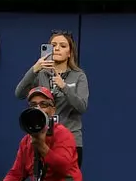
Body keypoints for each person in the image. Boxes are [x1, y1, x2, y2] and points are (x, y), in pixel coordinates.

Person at [15, 31, 89, 164]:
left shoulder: (79, 76)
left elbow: (82, 107)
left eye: (63, 45)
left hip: (70, 140)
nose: (57, 48)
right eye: (53, 45)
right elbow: (19, 93)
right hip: (43, 139)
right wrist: (34, 69)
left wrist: (64, 87)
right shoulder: (40, 74)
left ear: (70, 53)